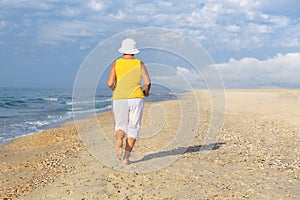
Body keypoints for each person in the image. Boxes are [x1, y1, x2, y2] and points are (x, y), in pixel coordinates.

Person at [107, 38, 151, 165]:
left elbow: (110, 83)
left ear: (123, 50)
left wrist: (116, 89)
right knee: (133, 127)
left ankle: (119, 139)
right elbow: (147, 82)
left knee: (120, 125)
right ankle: (126, 158)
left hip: (120, 97)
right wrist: (146, 92)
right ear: (134, 51)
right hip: (136, 97)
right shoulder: (140, 63)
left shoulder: (116, 64)